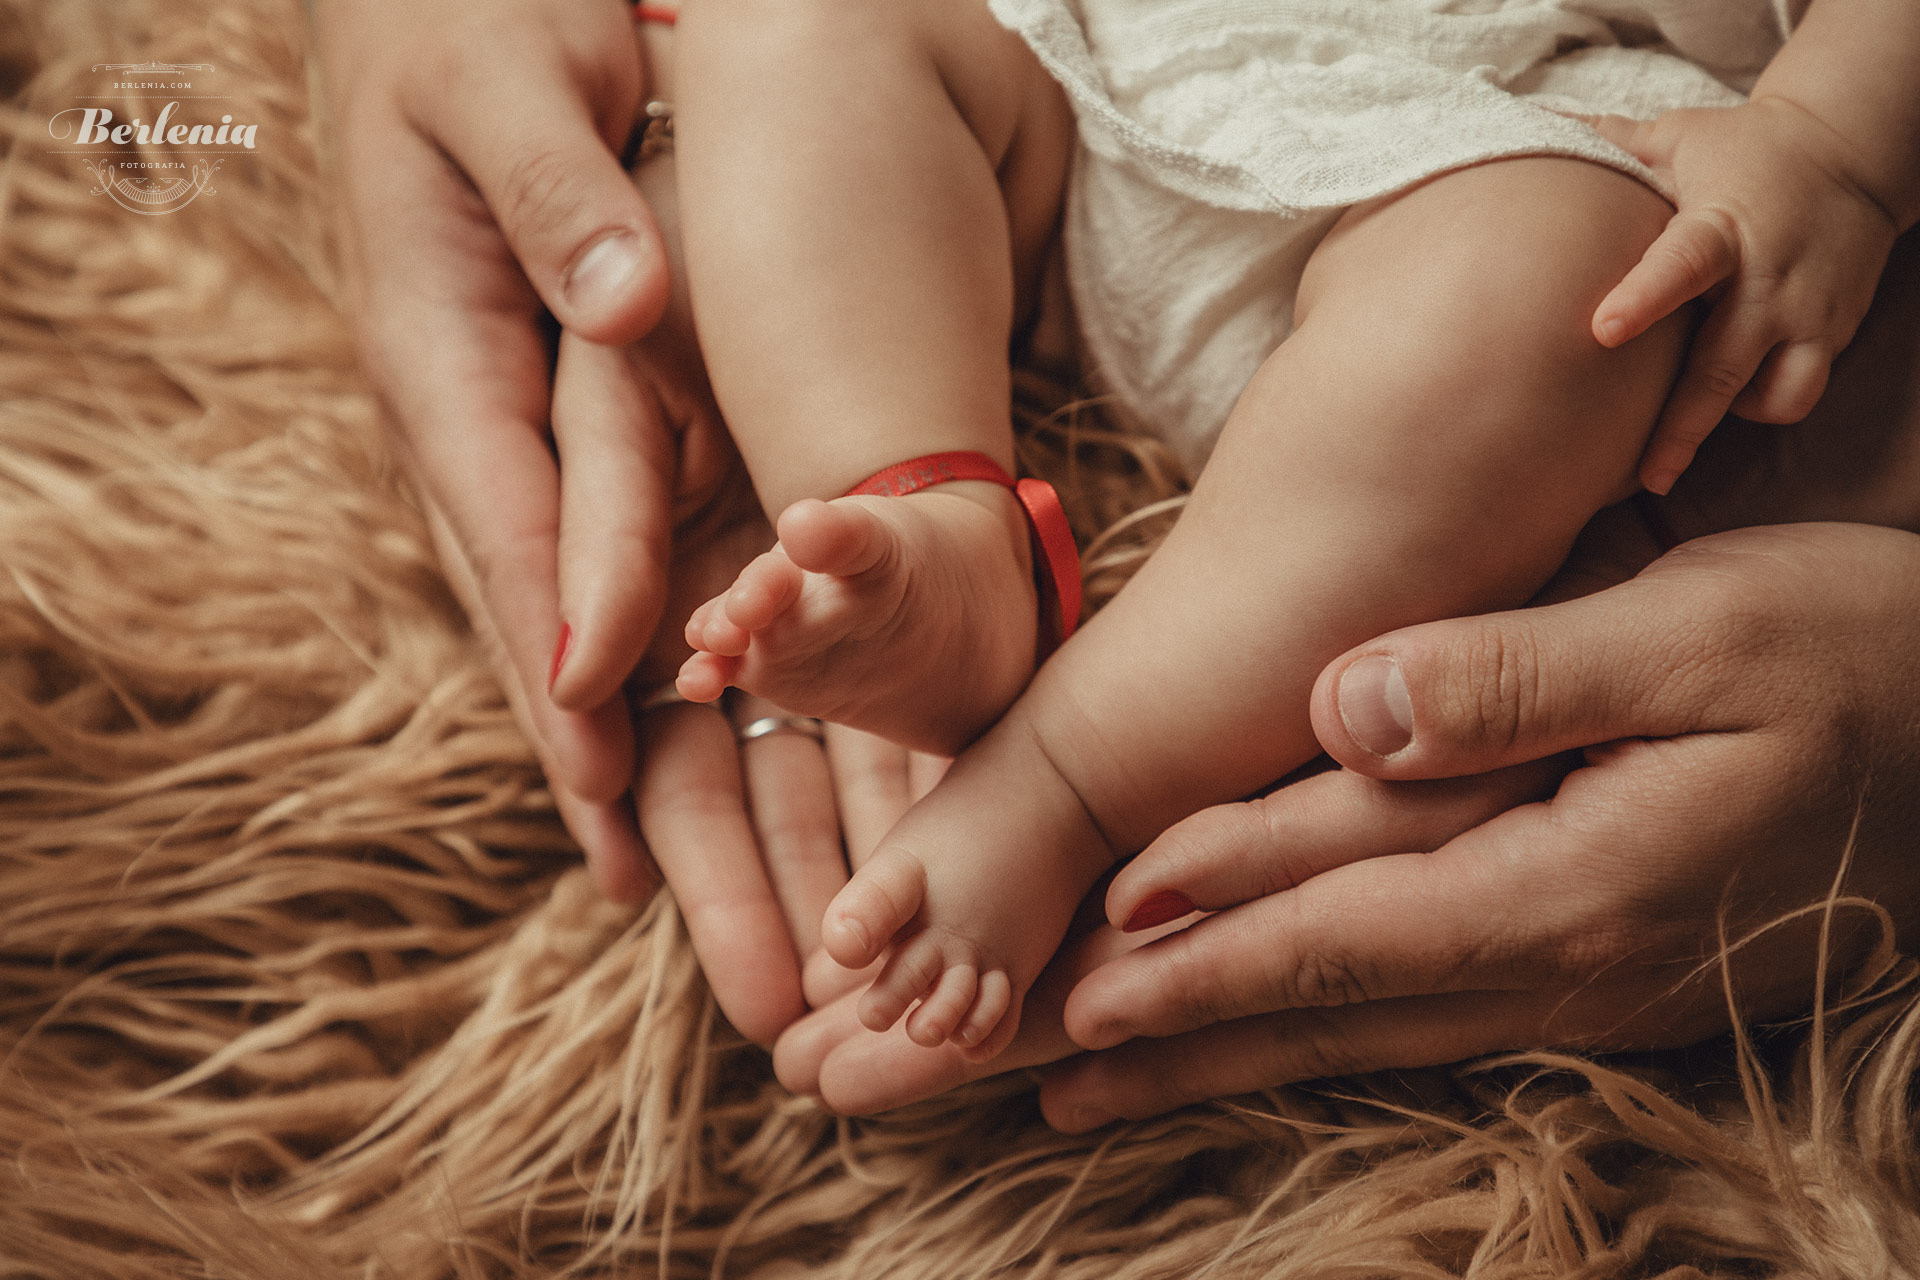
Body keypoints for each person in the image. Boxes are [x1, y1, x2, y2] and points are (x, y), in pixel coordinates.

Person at [315, 0, 1920, 1123]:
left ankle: (1070, 772)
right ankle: (925, 515)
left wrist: (1832, 145)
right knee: (796, 25)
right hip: (1115, 53)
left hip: (1528, 118)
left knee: (1569, 296)